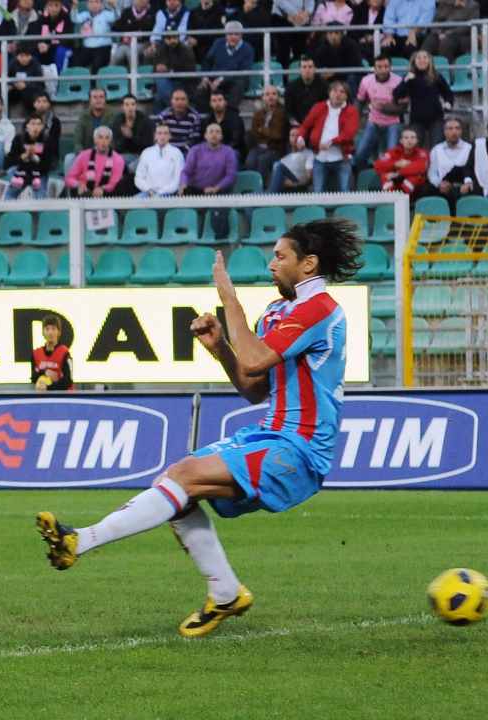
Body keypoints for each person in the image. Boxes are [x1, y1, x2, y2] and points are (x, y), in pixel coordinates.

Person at [37, 218, 363, 639]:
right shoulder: (280, 312)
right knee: (175, 484)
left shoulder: (319, 309)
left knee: (181, 479)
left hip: (299, 448)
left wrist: (228, 298)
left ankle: (79, 541)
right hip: (270, 433)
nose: (271, 264)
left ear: (308, 264)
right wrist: (220, 348)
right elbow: (252, 386)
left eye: (280, 256)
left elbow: (257, 359)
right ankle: (225, 592)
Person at [296, 80, 358, 193]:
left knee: (346, 192)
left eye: (342, 92)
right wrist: (300, 138)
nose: (338, 94)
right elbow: (305, 126)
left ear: (346, 96)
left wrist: (331, 142)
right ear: (329, 93)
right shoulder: (319, 107)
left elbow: (348, 134)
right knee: (317, 193)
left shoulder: (351, 111)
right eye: (335, 91)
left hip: (342, 158)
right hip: (320, 157)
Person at [392, 50, 452, 150]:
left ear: (429, 61)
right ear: (414, 61)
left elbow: (448, 93)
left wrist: (448, 103)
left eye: (425, 57)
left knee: (436, 148)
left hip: (436, 118)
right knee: (412, 147)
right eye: (419, 58)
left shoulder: (436, 76)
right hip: (417, 119)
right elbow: (397, 95)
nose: (422, 60)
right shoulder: (409, 77)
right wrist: (405, 81)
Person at [353, 54, 403, 168]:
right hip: (373, 121)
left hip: (393, 123)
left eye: (386, 66)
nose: (383, 70)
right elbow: (360, 101)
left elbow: (403, 108)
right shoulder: (366, 81)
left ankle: (390, 183)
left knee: (392, 157)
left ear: (390, 67)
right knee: (360, 154)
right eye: (379, 67)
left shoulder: (399, 81)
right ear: (374, 68)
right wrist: (355, 120)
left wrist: (383, 108)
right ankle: (363, 177)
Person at [197, 22, 253, 112]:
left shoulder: (247, 49)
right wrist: (205, 77)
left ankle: (230, 115)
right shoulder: (218, 43)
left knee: (240, 84)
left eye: (236, 34)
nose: (233, 37)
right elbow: (207, 61)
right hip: (214, 79)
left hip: (234, 80)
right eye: (230, 34)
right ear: (225, 34)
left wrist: (221, 79)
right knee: (201, 88)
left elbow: (243, 72)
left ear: (241, 35)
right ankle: (206, 118)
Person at [64, 126, 125, 197]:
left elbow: (114, 183)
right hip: (84, 192)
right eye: (100, 137)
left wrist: (102, 188)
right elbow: (69, 178)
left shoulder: (118, 159)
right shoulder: (84, 155)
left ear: (110, 141)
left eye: (107, 138)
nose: (103, 141)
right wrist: (78, 184)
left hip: (105, 194)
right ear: (95, 140)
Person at [427, 117, 474, 210]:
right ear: (444, 131)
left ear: (461, 131)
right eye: (450, 128)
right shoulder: (436, 149)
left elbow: (472, 171)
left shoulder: (469, 148)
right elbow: (432, 173)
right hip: (441, 187)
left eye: (457, 128)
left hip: (462, 186)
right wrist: (439, 184)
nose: (454, 132)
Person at [246, 84, 288, 186]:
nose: (271, 97)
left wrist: (262, 130)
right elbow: (254, 132)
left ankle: (263, 189)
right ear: (263, 97)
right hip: (259, 146)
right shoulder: (258, 113)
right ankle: (252, 186)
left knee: (262, 160)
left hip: (275, 148)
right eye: (267, 94)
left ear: (278, 97)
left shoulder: (282, 112)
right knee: (249, 161)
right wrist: (267, 132)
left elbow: (278, 135)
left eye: (274, 94)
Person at [4, 114, 52, 199]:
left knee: (41, 200)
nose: (36, 127)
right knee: (10, 173)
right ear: (27, 126)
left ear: (42, 127)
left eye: (38, 124)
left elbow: (48, 164)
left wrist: (35, 158)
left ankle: (37, 210)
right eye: (33, 124)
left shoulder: (47, 141)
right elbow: (9, 161)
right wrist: (23, 156)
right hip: (20, 171)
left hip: (39, 173)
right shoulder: (18, 139)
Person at [373, 127, 428, 194]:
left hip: (414, 190)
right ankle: (391, 198)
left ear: (417, 140)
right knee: (384, 175)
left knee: (416, 176)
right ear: (401, 141)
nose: (409, 140)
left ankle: (403, 197)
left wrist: (398, 173)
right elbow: (378, 165)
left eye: (412, 137)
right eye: (406, 138)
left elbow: (421, 167)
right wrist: (395, 164)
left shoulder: (422, 153)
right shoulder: (393, 152)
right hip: (394, 185)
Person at [136, 124, 184, 198]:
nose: (162, 136)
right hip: (147, 194)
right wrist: (149, 190)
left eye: (165, 133)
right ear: (155, 136)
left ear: (170, 136)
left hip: (169, 195)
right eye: (159, 133)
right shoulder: (146, 152)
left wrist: (161, 192)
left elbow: (178, 179)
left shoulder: (177, 153)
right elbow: (138, 177)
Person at [154, 88, 203, 153]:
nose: (180, 102)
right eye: (176, 99)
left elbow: (194, 141)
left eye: (183, 99)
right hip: (167, 150)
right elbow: (159, 138)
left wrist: (178, 153)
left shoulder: (194, 117)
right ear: (171, 101)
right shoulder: (164, 116)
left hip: (186, 152)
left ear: (187, 101)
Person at [32, 314, 72, 391]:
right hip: (43, 398)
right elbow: (33, 377)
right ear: (43, 332)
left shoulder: (65, 353)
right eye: (47, 329)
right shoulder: (36, 354)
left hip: (63, 398)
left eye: (53, 329)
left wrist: (49, 387)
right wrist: (44, 372)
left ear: (59, 332)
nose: (50, 332)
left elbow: (68, 381)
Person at [111, 94, 153, 167]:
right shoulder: (117, 121)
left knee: (132, 167)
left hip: (142, 155)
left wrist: (132, 137)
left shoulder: (145, 121)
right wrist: (125, 137)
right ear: (122, 107)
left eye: (133, 104)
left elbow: (147, 146)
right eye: (127, 105)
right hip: (124, 154)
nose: (130, 108)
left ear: (136, 106)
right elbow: (117, 146)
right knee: (113, 162)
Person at [284, 55, 327, 127]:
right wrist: (296, 124)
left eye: (310, 67)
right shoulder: (291, 87)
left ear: (314, 69)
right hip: (297, 125)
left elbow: (326, 109)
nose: (307, 70)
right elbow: (288, 111)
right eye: (304, 67)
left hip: (318, 125)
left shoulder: (324, 86)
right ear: (300, 70)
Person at [268, 127, 315, 192]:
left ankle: (270, 198)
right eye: (292, 135)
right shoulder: (286, 158)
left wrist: (294, 184)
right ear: (289, 139)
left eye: (298, 135)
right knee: (276, 164)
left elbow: (308, 179)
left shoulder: (309, 154)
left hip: (299, 188)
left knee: (278, 166)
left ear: (302, 138)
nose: (295, 138)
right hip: (285, 188)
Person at [203, 90, 245, 157]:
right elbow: (204, 138)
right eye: (214, 101)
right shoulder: (208, 120)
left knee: (233, 154)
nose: (217, 103)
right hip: (212, 148)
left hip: (232, 149)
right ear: (210, 104)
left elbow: (236, 141)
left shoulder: (235, 119)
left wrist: (220, 150)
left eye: (220, 100)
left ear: (225, 102)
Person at [74, 87, 114, 154]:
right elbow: (77, 142)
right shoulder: (83, 116)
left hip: (107, 153)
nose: (98, 100)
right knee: (69, 159)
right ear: (90, 100)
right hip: (86, 154)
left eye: (101, 97)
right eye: (95, 97)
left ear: (105, 99)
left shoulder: (113, 116)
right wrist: (83, 155)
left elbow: (114, 142)